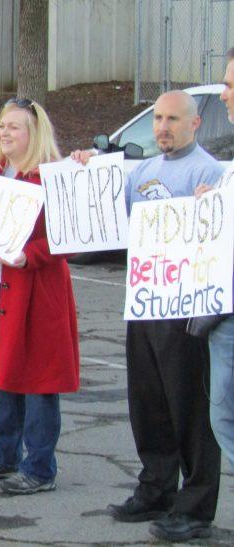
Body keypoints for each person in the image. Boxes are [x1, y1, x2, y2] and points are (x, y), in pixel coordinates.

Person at [73, 90, 222, 541]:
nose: (162, 127)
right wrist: (86, 170)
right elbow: (102, 214)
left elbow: (217, 236)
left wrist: (210, 206)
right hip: (145, 302)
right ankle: (156, 487)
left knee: (190, 407)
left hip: (187, 309)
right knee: (148, 402)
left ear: (194, 124)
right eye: (157, 118)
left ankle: (195, 506)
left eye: (173, 119)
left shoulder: (209, 172)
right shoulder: (143, 173)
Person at [0, 98, 79, 496]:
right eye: (1, 126)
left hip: (36, 292)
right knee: (3, 375)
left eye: (14, 126)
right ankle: (4, 454)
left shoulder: (50, 177)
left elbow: (68, 239)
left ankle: (40, 466)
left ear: (34, 133)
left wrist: (28, 255)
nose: (4, 132)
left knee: (38, 380)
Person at [195, 46, 234, 473]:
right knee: (222, 415)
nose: (223, 95)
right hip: (223, 312)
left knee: (224, 416)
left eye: (229, 85)